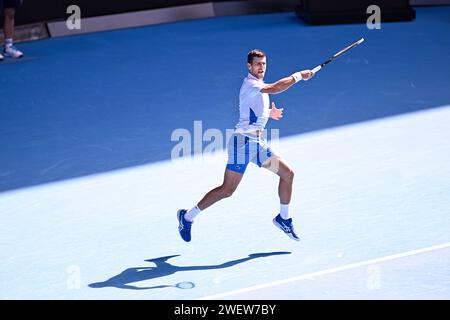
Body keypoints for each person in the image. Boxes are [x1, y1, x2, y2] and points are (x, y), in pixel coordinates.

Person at [177, 49, 314, 242]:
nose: (261, 67)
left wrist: (268, 114)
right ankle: (187, 217)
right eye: (257, 64)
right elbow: (274, 88)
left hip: (256, 145)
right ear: (249, 66)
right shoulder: (251, 84)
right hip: (242, 144)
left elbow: (254, 110)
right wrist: (299, 76)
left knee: (287, 174)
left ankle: (283, 218)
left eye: (264, 64)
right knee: (227, 190)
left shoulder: (259, 86)